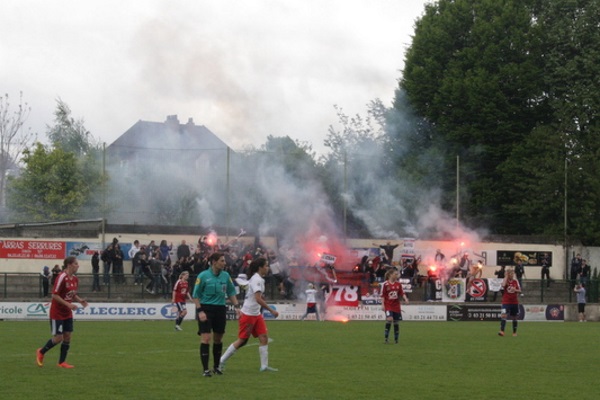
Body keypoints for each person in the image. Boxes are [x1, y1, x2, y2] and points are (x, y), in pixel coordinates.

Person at [219, 257, 280, 373]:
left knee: (263, 338)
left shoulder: (258, 279)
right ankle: (221, 360)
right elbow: (257, 298)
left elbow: (257, 296)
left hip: (256, 314)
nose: (267, 268)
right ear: (260, 268)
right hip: (248, 314)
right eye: (266, 266)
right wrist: (271, 310)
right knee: (242, 340)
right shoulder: (257, 279)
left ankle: (264, 366)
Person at [192, 252, 240, 377]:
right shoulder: (203, 276)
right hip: (206, 309)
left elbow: (231, 292)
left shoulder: (226, 276)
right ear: (214, 262)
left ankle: (216, 367)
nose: (224, 263)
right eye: (222, 261)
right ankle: (205, 369)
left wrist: (236, 307)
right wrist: (200, 311)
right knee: (206, 339)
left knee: (218, 339)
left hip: (220, 309)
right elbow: (195, 295)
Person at [36, 256, 89, 368]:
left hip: (67, 312)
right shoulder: (61, 277)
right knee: (58, 338)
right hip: (57, 312)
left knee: (68, 336)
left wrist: (80, 300)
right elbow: (54, 295)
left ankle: (61, 362)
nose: (77, 266)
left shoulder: (75, 279)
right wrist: (68, 304)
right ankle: (41, 352)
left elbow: (72, 293)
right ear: (69, 265)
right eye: (76, 264)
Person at [380, 268, 409, 344]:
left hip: (396, 306)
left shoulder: (398, 284)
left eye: (397, 274)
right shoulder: (385, 284)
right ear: (390, 275)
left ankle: (396, 340)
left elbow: (402, 293)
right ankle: (386, 339)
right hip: (388, 305)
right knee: (389, 319)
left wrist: (405, 298)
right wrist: (382, 305)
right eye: (395, 274)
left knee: (396, 322)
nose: (397, 275)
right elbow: (382, 295)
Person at [498, 268, 521, 337]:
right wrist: (506, 276)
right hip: (506, 302)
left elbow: (520, 291)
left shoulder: (515, 281)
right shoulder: (505, 280)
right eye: (510, 273)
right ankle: (502, 331)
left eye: (512, 273)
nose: (511, 275)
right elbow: (503, 285)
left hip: (514, 302)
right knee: (504, 315)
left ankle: (514, 332)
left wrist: (515, 290)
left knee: (514, 317)